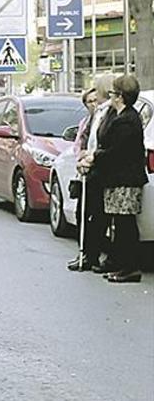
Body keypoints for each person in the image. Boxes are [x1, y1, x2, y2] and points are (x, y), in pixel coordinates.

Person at [80, 74, 147, 283]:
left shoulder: (127, 120)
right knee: (120, 223)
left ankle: (129, 267)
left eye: (113, 93)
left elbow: (117, 152)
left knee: (126, 225)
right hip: (117, 179)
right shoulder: (121, 117)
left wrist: (94, 157)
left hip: (125, 180)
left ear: (120, 96)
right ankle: (121, 265)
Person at [68, 74, 116, 272]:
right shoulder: (96, 115)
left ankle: (92, 254)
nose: (94, 101)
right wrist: (82, 157)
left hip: (101, 170)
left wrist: (92, 157)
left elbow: (105, 142)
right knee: (83, 213)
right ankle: (87, 254)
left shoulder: (110, 113)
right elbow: (87, 139)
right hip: (89, 169)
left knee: (97, 216)